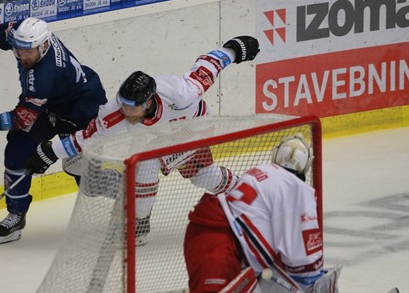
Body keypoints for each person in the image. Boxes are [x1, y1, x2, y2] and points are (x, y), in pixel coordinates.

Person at [134, 134, 343, 293]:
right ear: (305, 167)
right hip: (220, 240)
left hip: (208, 235)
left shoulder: (261, 171)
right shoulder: (299, 190)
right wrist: (313, 288)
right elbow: (302, 256)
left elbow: (270, 240)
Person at [25, 35, 261, 241]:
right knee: (145, 165)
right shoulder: (113, 116)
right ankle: (141, 220)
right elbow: (84, 139)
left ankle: (245, 192)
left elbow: (209, 66)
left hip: (192, 131)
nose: (125, 111)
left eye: (131, 106)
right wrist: (48, 152)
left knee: (204, 177)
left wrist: (234, 48)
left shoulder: (180, 93)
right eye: (123, 103)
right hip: (155, 141)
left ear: (148, 102)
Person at [0, 17, 107, 244]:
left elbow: (22, 118)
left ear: (44, 46)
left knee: (86, 179)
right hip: (48, 104)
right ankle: (16, 215)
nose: (23, 56)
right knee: (17, 151)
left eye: (28, 52)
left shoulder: (45, 74)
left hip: (80, 108)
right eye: (19, 50)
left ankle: (134, 195)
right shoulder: (22, 35)